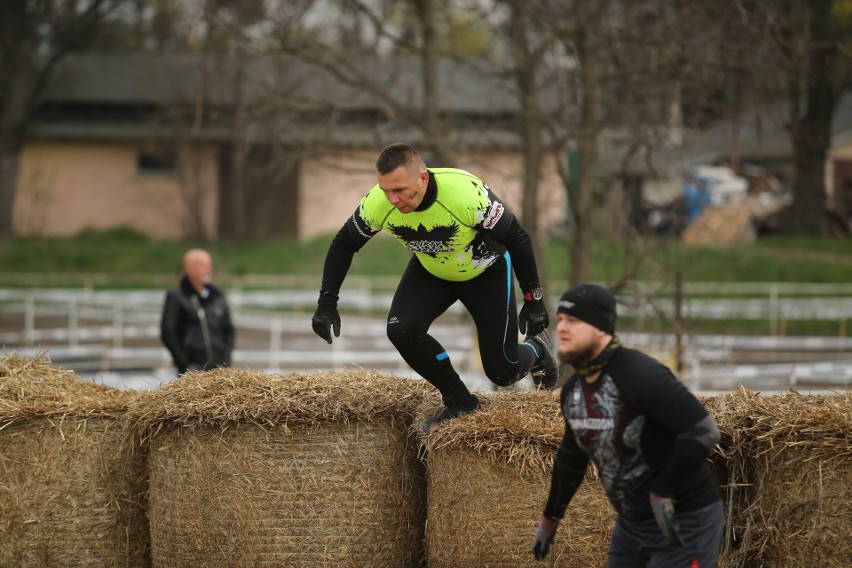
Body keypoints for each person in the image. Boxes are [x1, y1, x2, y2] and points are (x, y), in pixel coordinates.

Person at [311, 143, 557, 431]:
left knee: (502, 373)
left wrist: (534, 298)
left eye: (401, 190)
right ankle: (460, 400)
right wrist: (327, 302)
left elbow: (517, 237)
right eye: (386, 190)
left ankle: (536, 350)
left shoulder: (465, 194)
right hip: (433, 270)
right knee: (401, 329)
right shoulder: (378, 203)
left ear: (423, 178)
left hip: (484, 272)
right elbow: (344, 243)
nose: (393, 200)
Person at [532, 283, 723, 567]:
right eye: (560, 320)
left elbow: (703, 430)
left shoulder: (641, 374)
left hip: (683, 521)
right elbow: (571, 458)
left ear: (601, 328)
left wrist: (662, 493)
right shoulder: (572, 391)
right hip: (631, 526)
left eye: (573, 321)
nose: (561, 328)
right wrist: (550, 519)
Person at [161, 248, 235, 375]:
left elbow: (229, 330)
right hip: (192, 371)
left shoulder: (218, 296)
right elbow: (168, 332)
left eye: (209, 265)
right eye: (203, 265)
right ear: (189, 268)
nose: (208, 269)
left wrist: (225, 362)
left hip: (219, 371)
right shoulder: (177, 297)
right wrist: (185, 364)